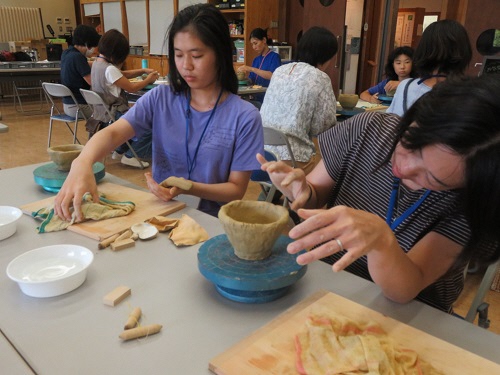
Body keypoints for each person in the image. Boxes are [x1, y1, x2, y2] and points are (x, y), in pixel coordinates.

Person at [257, 75, 500, 314]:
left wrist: (381, 241)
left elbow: (404, 290)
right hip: (330, 286)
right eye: (409, 143)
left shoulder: (474, 203)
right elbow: (314, 197)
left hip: (412, 314)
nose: (403, 168)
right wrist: (300, 191)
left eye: (432, 178)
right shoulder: (367, 130)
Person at [54, 3, 263, 219]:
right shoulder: (161, 98)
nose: (186, 66)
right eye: (179, 55)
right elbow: (113, 133)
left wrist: (188, 187)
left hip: (211, 222)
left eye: (197, 55)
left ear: (220, 54)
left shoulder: (244, 116)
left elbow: (236, 189)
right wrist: (82, 162)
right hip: (161, 213)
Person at [260, 26, 338, 175]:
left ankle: (273, 196)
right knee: (331, 169)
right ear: (326, 56)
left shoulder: (279, 71)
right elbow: (323, 128)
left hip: (260, 156)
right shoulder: (320, 77)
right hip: (293, 161)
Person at [91, 29, 159, 168]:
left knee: (140, 115)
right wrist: (148, 80)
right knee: (151, 123)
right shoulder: (109, 69)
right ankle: (132, 155)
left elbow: (121, 74)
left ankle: (120, 149)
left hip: (103, 113)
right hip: (115, 111)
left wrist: (142, 71)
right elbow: (131, 88)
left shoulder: (97, 63)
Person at [387, 19, 472, 116]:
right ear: (465, 51)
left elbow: (392, 122)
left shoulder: (406, 87)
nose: (402, 67)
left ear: (423, 49)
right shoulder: (473, 95)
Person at [60, 24, 100, 118]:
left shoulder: (67, 53)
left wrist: (102, 64)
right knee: (110, 112)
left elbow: (85, 65)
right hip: (79, 107)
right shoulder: (78, 57)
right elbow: (92, 82)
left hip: (67, 105)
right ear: (87, 43)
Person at [237, 28, 281, 102]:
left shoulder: (274, 57)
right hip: (255, 97)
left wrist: (251, 69)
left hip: (268, 98)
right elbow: (251, 80)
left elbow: (272, 75)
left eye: (255, 43)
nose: (254, 47)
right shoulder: (256, 60)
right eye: (252, 44)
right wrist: (243, 79)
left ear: (264, 40)